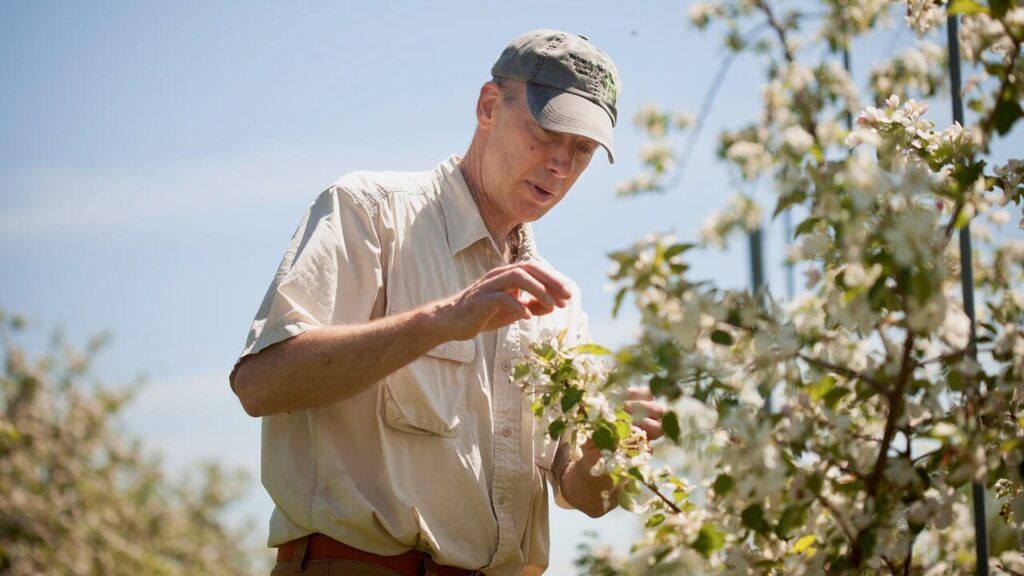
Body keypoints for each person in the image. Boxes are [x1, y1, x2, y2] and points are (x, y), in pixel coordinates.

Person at [231, 29, 663, 576]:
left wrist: (611, 449)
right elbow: (260, 384)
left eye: (582, 149)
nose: (560, 162)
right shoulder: (370, 211)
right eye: (547, 129)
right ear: (488, 106)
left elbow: (587, 495)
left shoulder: (559, 302)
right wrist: (440, 321)